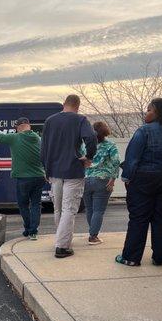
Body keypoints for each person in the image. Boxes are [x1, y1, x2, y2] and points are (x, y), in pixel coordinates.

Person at [116, 98, 162, 267]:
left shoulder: (143, 131)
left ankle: (131, 258)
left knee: (138, 218)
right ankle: (160, 257)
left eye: (149, 110)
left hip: (142, 181)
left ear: (158, 113)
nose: (146, 113)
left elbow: (132, 159)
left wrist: (126, 178)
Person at [41, 94, 97, 258]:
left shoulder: (50, 120)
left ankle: (61, 240)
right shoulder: (80, 120)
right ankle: (62, 246)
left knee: (58, 208)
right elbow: (91, 138)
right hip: (73, 170)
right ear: (78, 106)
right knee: (69, 209)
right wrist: (89, 156)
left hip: (54, 172)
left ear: (64, 104)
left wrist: (46, 169)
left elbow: (43, 148)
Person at [0, 117, 46, 240]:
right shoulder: (40, 139)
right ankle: (33, 231)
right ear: (29, 126)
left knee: (23, 205)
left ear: (18, 127)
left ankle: (29, 229)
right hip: (39, 177)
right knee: (36, 204)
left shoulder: (15, 137)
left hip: (23, 179)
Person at [82, 122, 120, 245]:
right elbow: (116, 162)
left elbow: (82, 161)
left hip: (86, 179)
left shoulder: (85, 146)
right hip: (103, 180)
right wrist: (113, 180)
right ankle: (93, 236)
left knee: (89, 209)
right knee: (98, 210)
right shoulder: (110, 145)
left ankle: (92, 231)